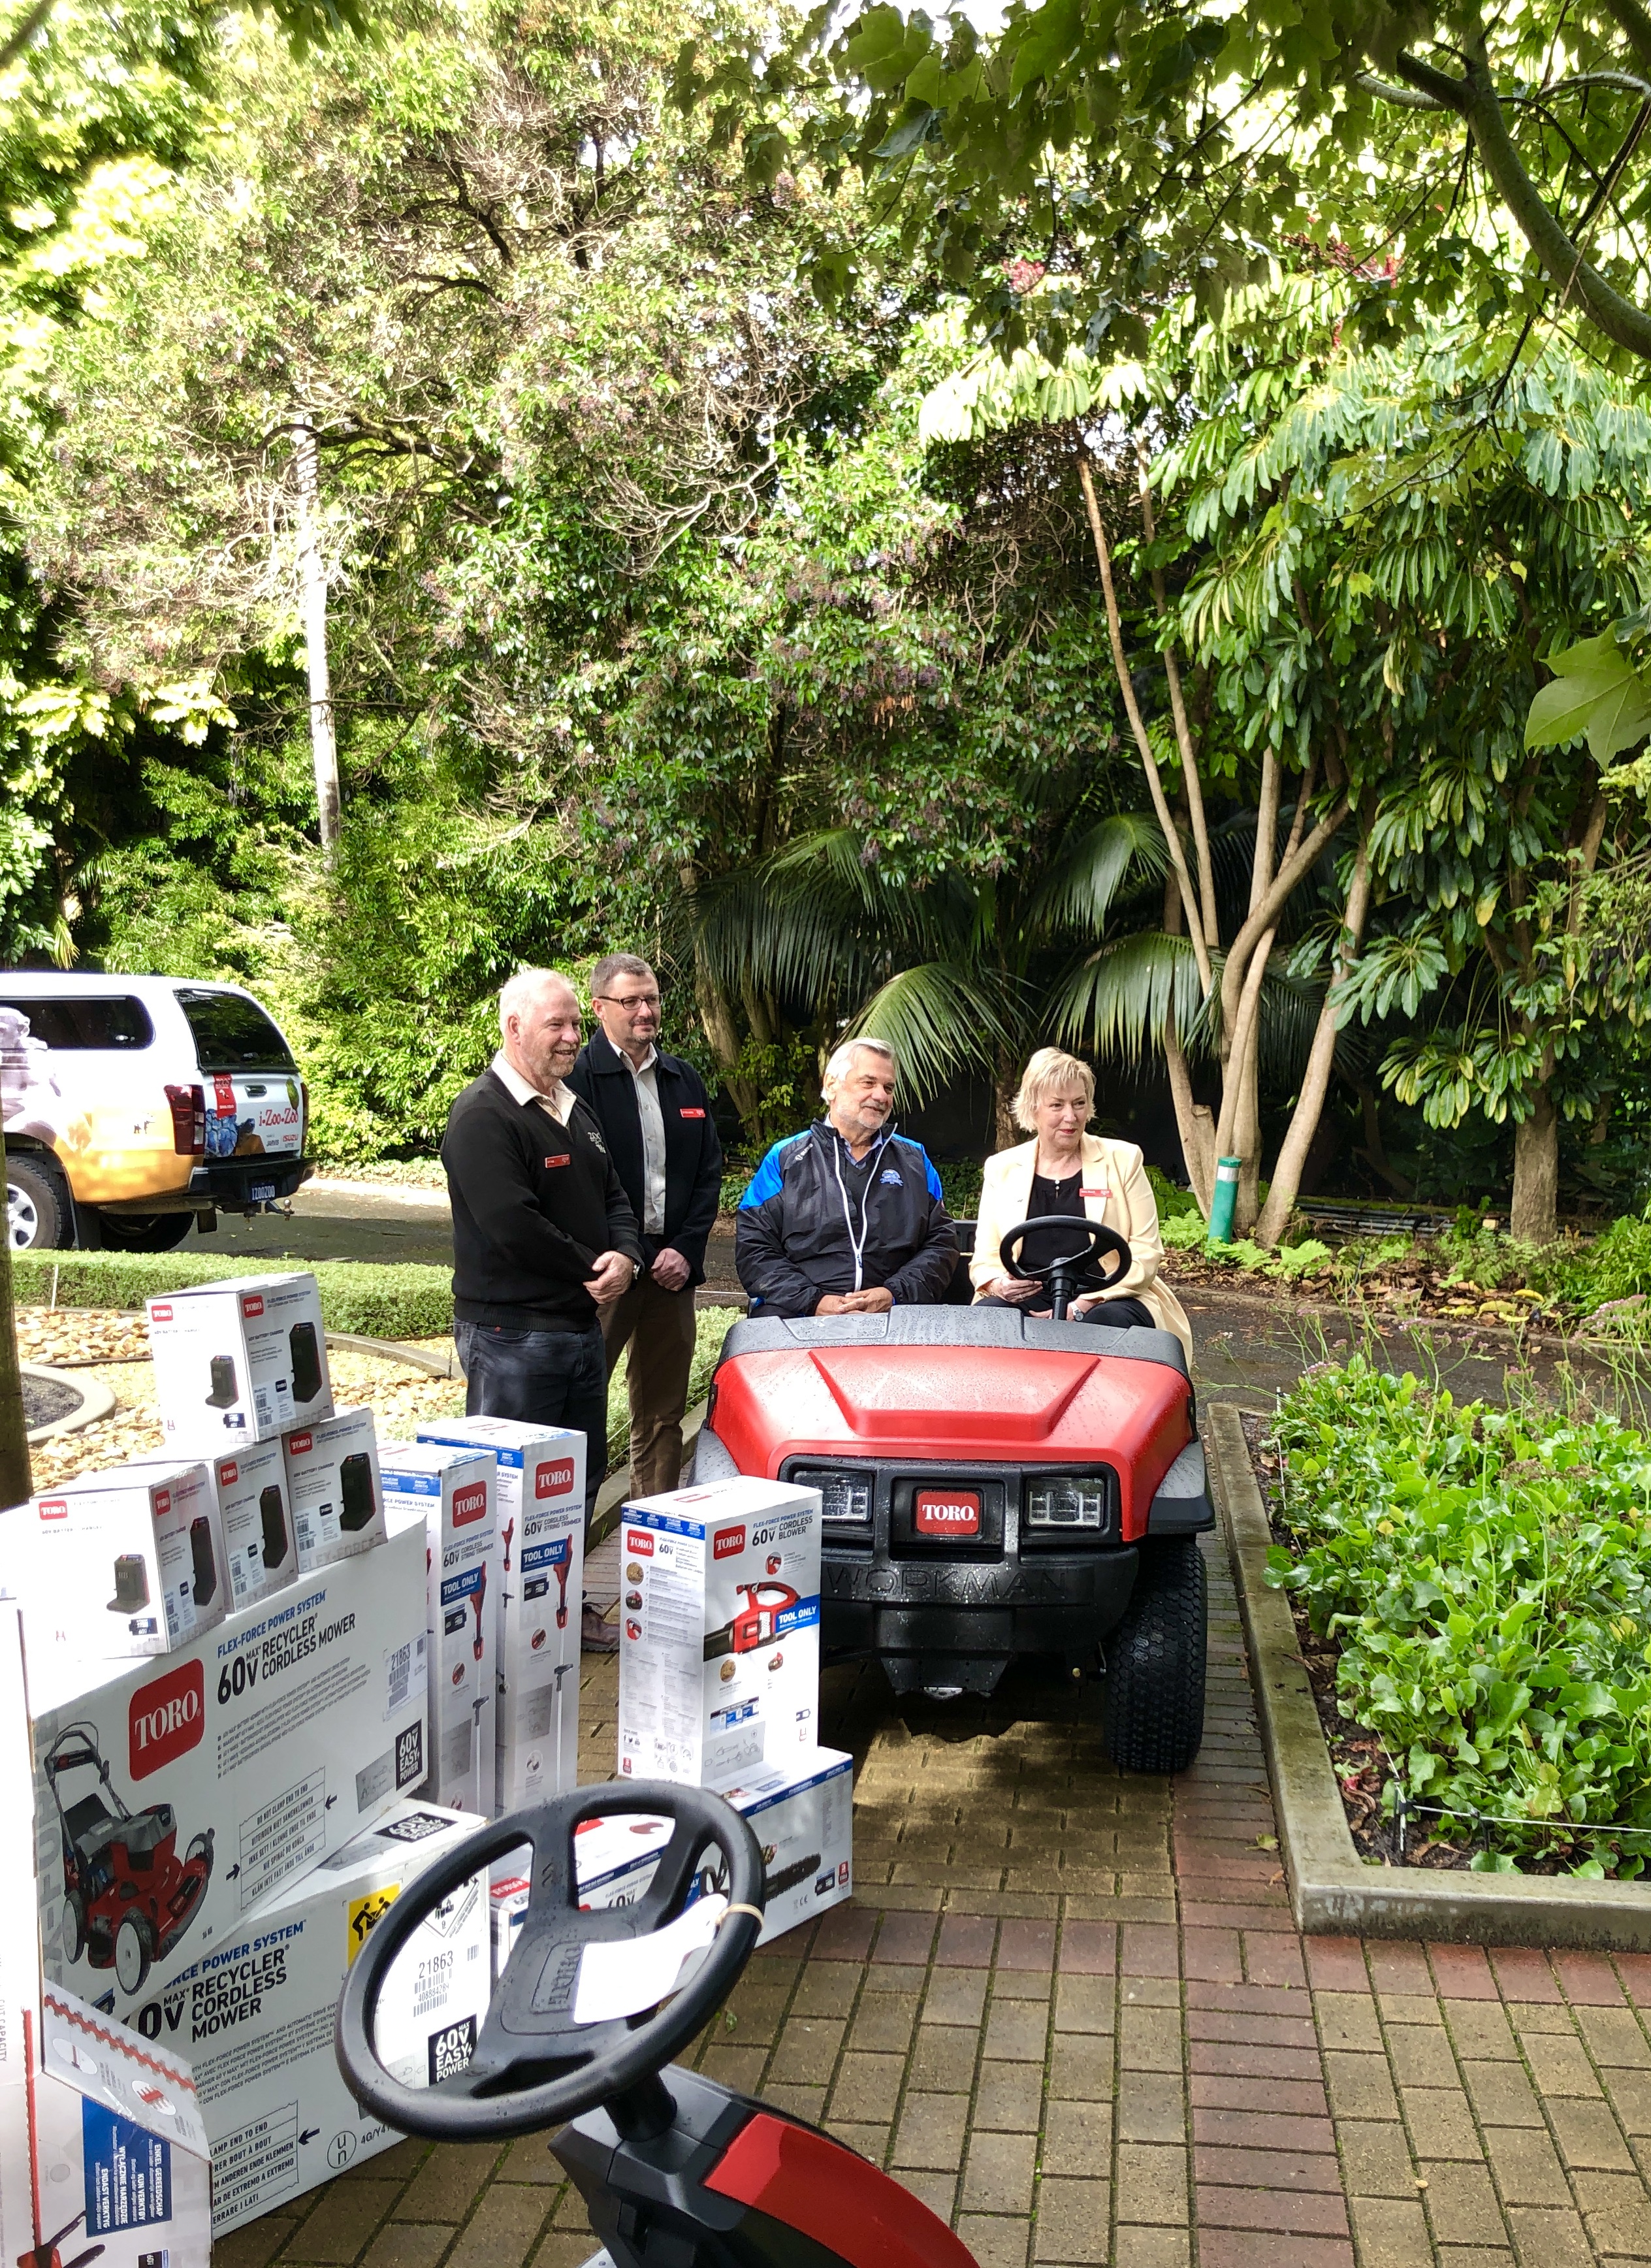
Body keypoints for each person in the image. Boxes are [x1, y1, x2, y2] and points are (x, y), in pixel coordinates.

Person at [441, 967, 644, 1652]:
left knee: (577, 1482)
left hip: (577, 1332)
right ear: (514, 1028)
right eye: (555, 1025)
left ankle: (561, 1605)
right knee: (512, 1494)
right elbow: (511, 1224)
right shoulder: (482, 1116)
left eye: (573, 1025)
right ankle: (501, 1626)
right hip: (511, 1338)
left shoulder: (572, 1107)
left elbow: (616, 1194)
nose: (568, 1038)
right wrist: (593, 1269)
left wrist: (626, 1255)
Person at [568, 951, 725, 1496]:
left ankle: (648, 1549)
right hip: (605, 1270)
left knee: (662, 1417)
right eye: (630, 1000)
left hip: (669, 1272)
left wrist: (687, 1249)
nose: (644, 1011)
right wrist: (624, 1250)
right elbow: (575, 1185)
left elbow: (709, 1174)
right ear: (599, 1008)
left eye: (651, 998)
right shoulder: (576, 1081)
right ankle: (566, 1544)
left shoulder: (684, 1080)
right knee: (577, 1415)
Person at [970, 1046, 1193, 1359]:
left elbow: (1146, 1251)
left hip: (1110, 1295)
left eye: (1079, 1104)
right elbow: (986, 1258)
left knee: (1104, 1324)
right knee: (991, 1319)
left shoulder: (1123, 1160)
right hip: (1028, 1296)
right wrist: (997, 1285)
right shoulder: (1001, 1167)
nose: (1070, 1117)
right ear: (1034, 1109)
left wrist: (1083, 1304)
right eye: (1057, 1105)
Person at [736, 1039, 957, 1318]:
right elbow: (754, 1246)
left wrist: (894, 1294)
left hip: (895, 1314)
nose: (881, 1096)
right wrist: (813, 1301)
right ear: (831, 1085)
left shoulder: (915, 1160)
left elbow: (942, 1243)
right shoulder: (785, 1159)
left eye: (888, 1087)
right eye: (868, 1083)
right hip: (799, 1313)